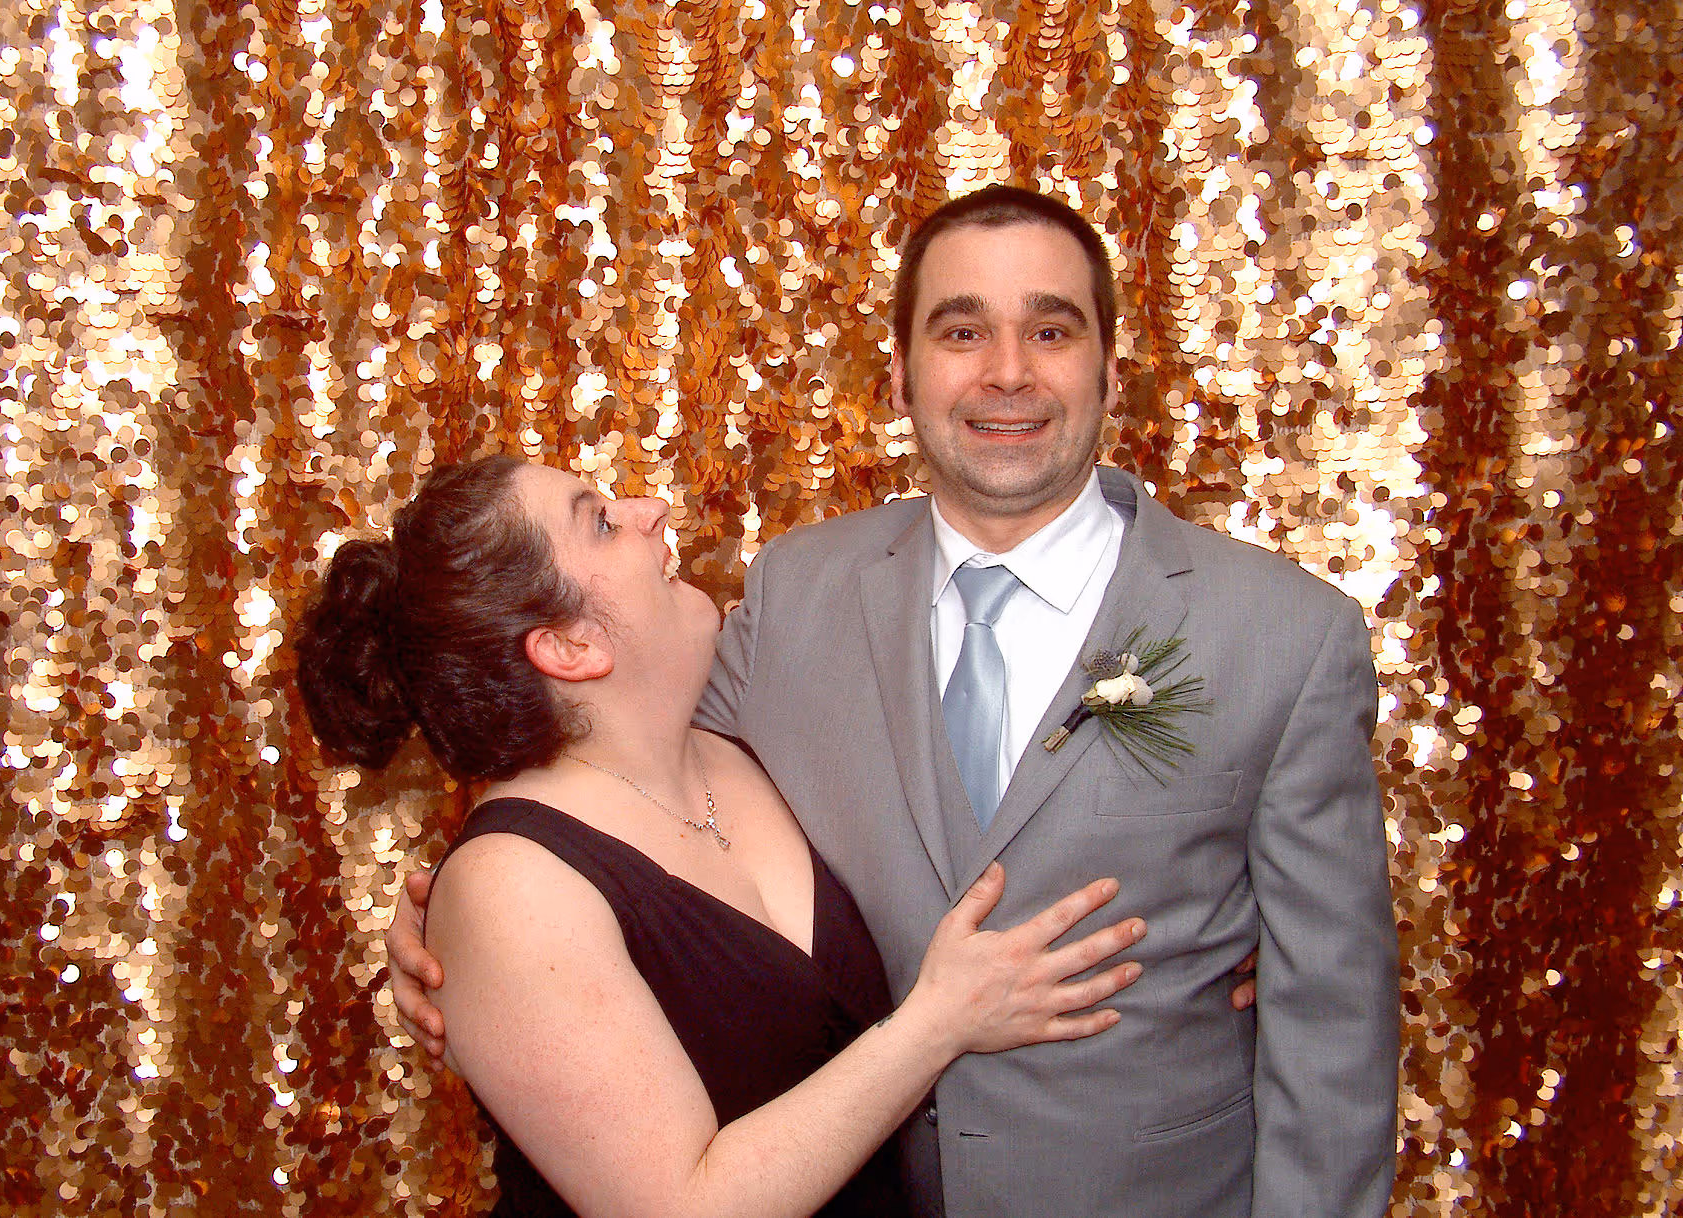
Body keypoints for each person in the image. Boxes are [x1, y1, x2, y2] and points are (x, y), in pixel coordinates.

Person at [387, 186, 1400, 1217]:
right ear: (901, 377)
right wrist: (451, 922)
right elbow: (609, 781)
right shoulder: (794, 595)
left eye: (1052, 330)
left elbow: (1335, 1035)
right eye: (961, 331)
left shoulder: (1286, 636)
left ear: (1110, 368)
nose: (1009, 371)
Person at [297, 454, 1155, 1217]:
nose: (650, 510)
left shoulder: (739, 737)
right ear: (569, 645)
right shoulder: (510, 886)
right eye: (601, 522)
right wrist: (940, 1022)